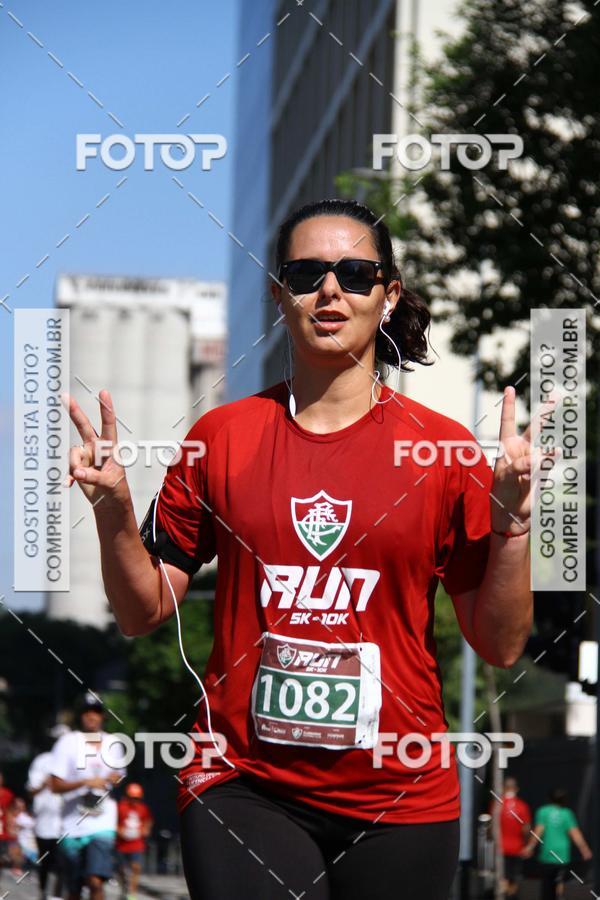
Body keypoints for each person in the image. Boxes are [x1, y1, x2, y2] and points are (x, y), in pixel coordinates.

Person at [65, 198, 533, 899]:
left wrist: (514, 526)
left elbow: (500, 644)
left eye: (355, 273)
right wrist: (112, 508)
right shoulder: (221, 437)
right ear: (279, 293)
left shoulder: (442, 450)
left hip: (400, 793)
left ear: (389, 294)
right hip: (243, 782)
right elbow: (142, 612)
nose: (331, 290)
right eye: (307, 274)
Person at [49, 692, 126, 900]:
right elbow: (54, 785)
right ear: (80, 716)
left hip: (102, 822)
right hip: (72, 824)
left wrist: (114, 778)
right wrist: (85, 782)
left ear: (103, 716)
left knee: (95, 881)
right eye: (86, 712)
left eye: (96, 712)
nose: (92, 716)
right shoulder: (67, 742)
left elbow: (119, 775)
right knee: (74, 888)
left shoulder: (114, 743)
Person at [523, 788, 592, 900]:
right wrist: (584, 849)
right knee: (559, 880)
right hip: (562, 853)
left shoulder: (543, 811)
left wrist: (530, 847)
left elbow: (539, 831)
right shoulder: (567, 813)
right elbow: (575, 833)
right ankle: (558, 896)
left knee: (547, 882)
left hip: (547, 852)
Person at [27, 724, 69, 899]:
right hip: (44, 822)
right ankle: (43, 892)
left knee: (63, 863)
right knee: (45, 862)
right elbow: (31, 790)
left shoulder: (74, 761)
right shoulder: (42, 761)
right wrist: (46, 783)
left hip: (66, 821)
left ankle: (58, 895)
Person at [489, 777, 531, 898]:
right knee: (514, 877)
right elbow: (526, 829)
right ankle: (511, 895)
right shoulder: (522, 806)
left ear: (503, 788)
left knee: (502, 876)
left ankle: (503, 895)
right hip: (517, 848)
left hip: (500, 848)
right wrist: (527, 845)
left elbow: (492, 827)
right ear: (516, 788)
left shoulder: (496, 805)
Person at [116, 783, 153, 900]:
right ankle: (124, 889)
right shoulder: (120, 807)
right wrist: (119, 831)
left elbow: (148, 821)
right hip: (121, 844)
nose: (134, 800)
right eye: (132, 797)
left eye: (137, 798)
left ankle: (132, 894)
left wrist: (145, 829)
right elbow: (113, 821)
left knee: (136, 868)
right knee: (121, 869)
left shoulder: (143, 808)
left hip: (137, 843)